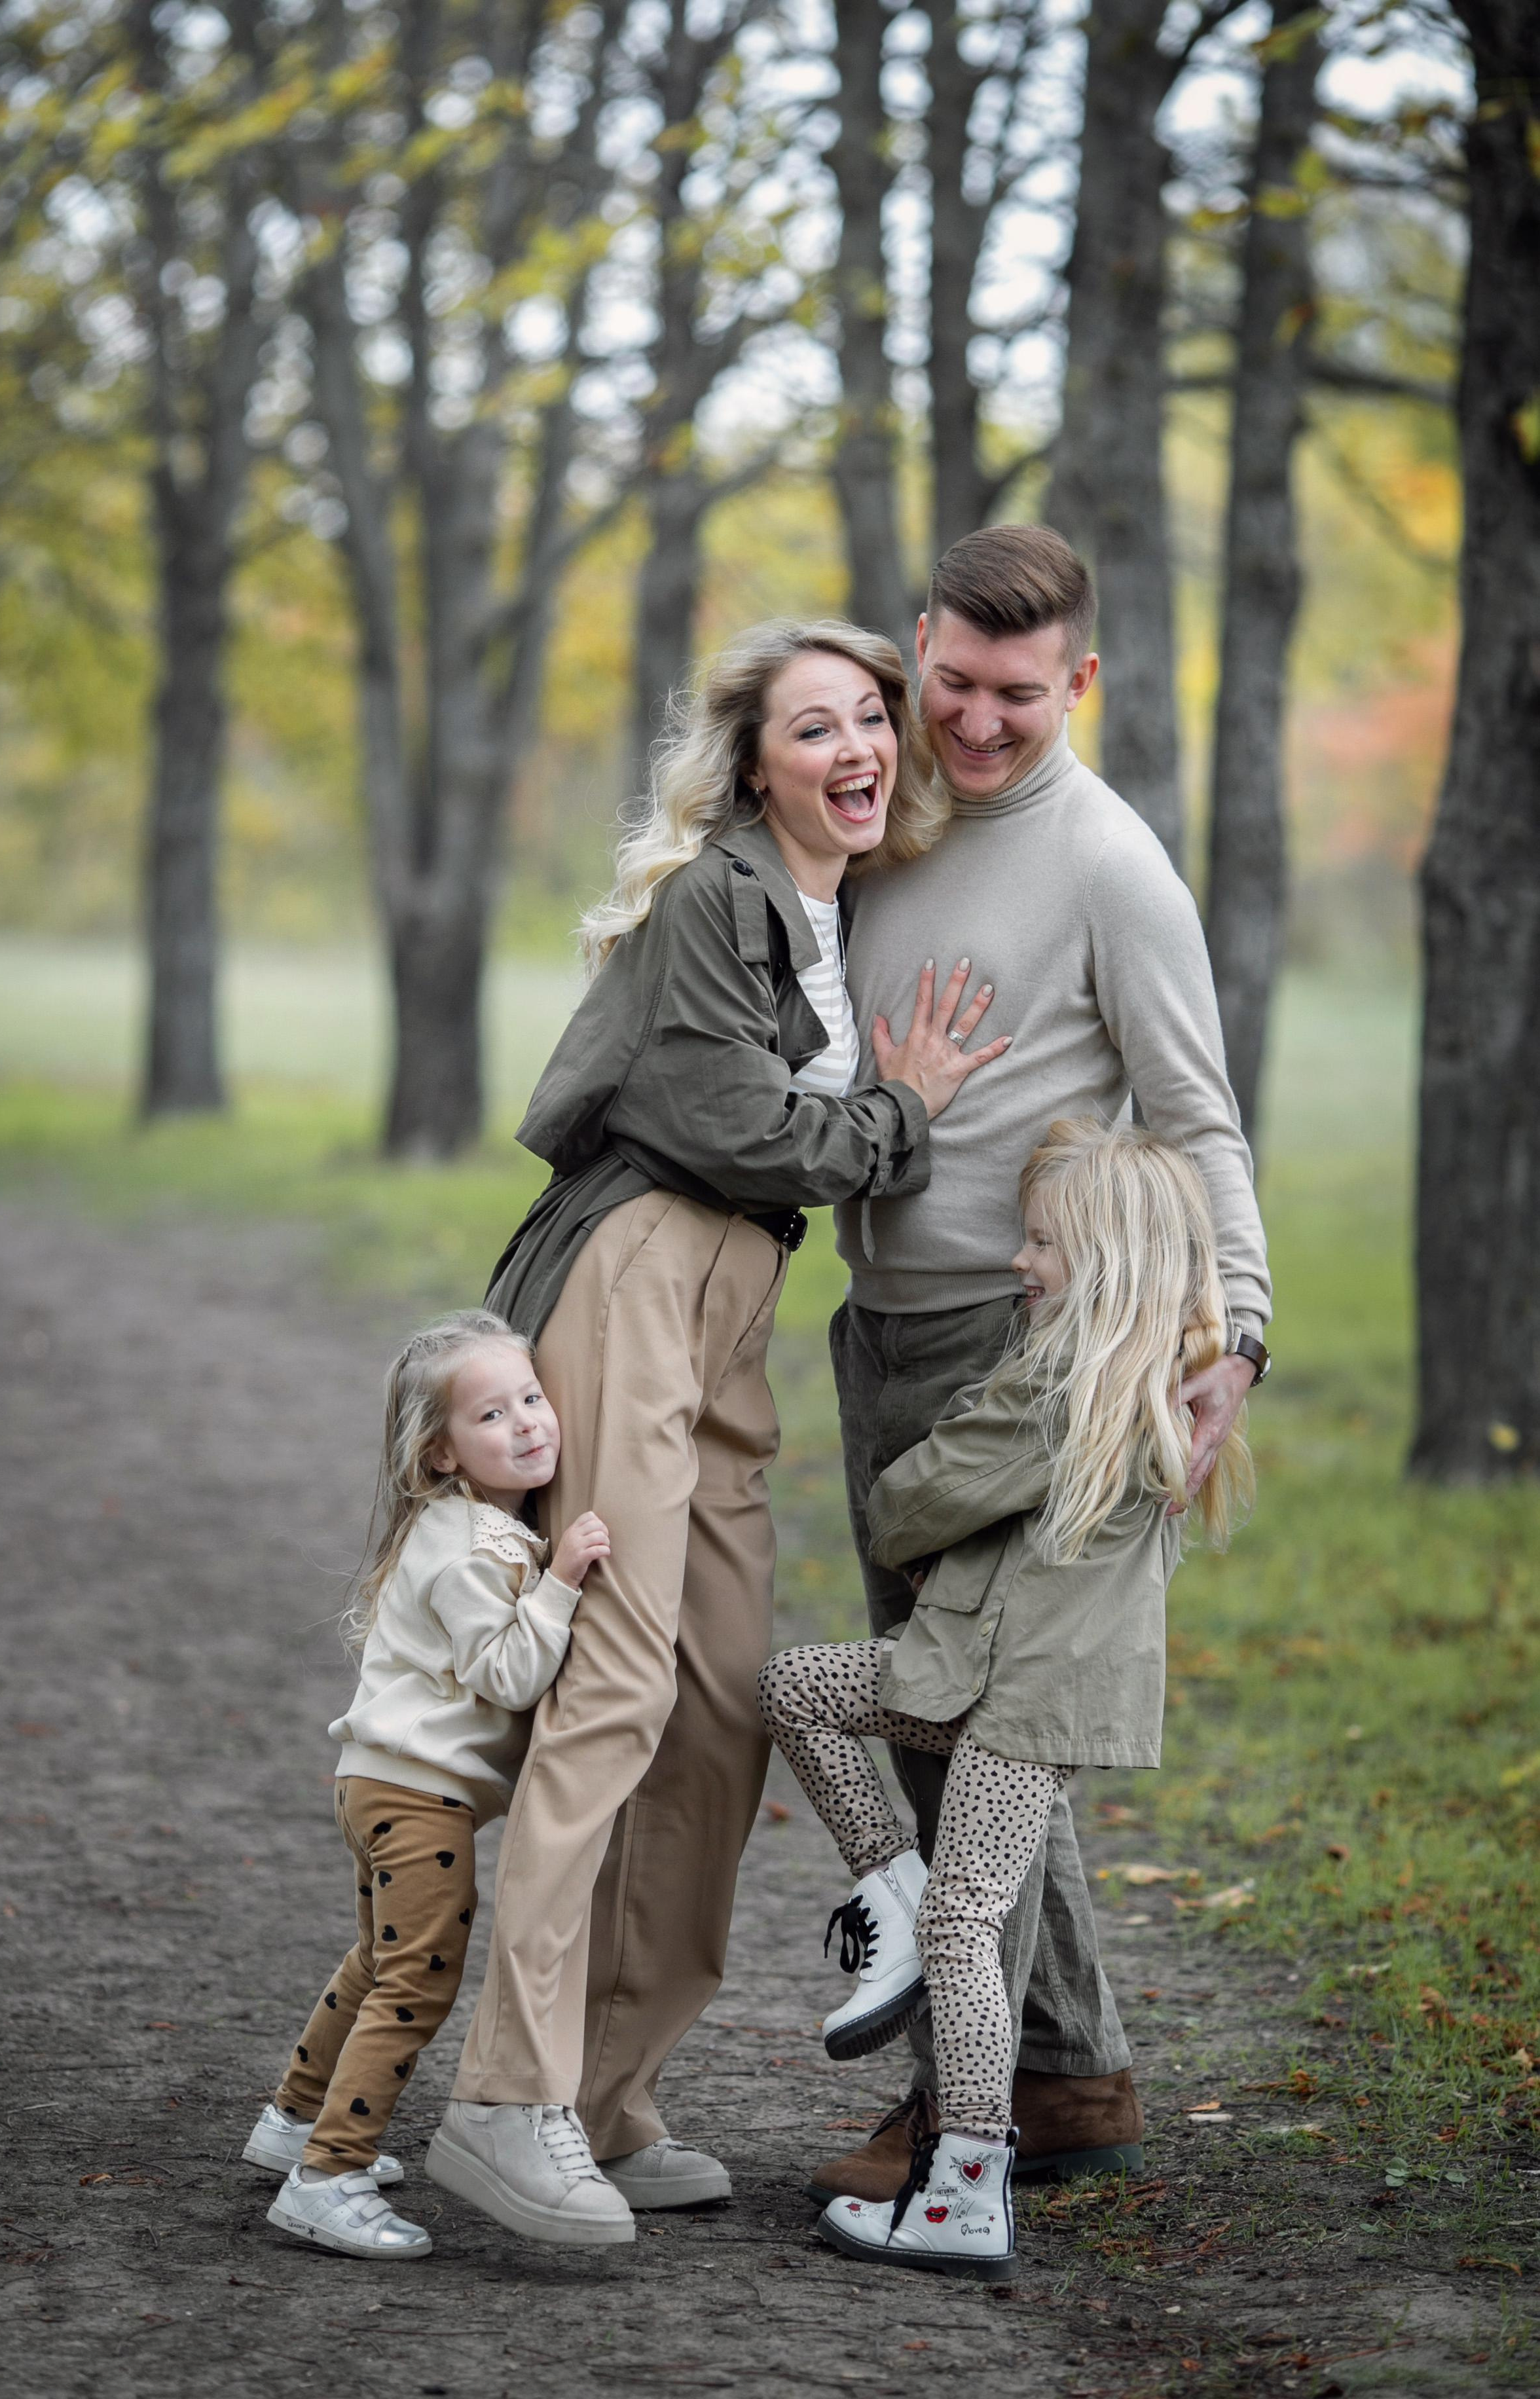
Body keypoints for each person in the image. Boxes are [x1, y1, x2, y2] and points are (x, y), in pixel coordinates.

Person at [425, 620, 1010, 2248]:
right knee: (608, 1687)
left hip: (737, 1295)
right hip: (638, 1268)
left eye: (871, 718)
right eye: (814, 723)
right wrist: (903, 1110)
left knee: (718, 1704)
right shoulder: (715, 897)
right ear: (752, 761)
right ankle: (502, 2100)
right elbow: (730, 1122)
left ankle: (608, 2091)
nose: (859, 745)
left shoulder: (843, 911)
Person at [814, 524, 1273, 2205]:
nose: (980, 721)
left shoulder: (1109, 864)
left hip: (1024, 1351)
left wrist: (1240, 1321)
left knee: (950, 1725)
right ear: (914, 648)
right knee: (989, 1728)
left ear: (1078, 678)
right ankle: (1072, 2075)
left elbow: (1197, 1113)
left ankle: (954, 2115)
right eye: (952, 682)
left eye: (1018, 692)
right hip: (885, 1326)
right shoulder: (890, 809)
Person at [760, 1120, 1254, 2280]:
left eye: (1041, 1243)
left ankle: (969, 2183)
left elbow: (907, 1503)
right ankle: (887, 1884)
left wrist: (935, 1521)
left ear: (1109, 1261)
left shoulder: (1066, 1386)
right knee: (796, 1687)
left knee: (964, 1927)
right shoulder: (1140, 1387)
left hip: (1024, 1709)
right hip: (978, 1679)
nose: (1019, 1262)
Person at [246, 1308, 609, 2260]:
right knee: (417, 1982)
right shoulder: (475, 1551)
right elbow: (510, 1675)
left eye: (533, 1398)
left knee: (376, 1962)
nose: (529, 1423)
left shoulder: (466, 1530)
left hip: (378, 1783)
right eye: (492, 1416)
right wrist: (563, 1581)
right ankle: (328, 2172)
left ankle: (293, 2119)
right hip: (418, 1802)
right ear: (441, 1455)